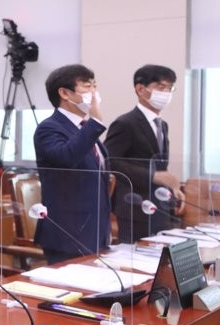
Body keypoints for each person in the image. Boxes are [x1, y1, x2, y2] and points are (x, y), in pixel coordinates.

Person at [33, 64, 112, 264]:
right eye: (88, 86)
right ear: (65, 93)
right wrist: (95, 122)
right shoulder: (49, 128)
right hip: (67, 234)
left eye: (95, 86)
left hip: (96, 232)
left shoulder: (85, 128)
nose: (94, 93)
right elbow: (66, 158)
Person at [105, 65, 183, 242]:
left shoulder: (162, 125)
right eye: (161, 88)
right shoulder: (125, 123)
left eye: (170, 88)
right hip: (134, 206)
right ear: (140, 89)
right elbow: (111, 160)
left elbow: (160, 166)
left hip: (160, 206)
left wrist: (173, 188)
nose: (166, 93)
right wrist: (152, 175)